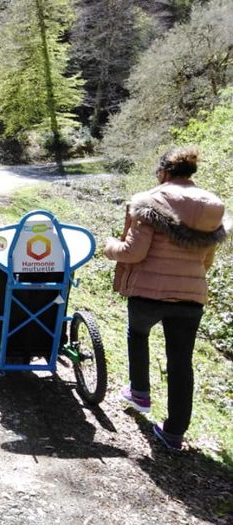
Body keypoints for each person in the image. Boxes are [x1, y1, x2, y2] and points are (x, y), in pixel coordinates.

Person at [103, 147, 228, 451]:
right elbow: (206, 261)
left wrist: (109, 246)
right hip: (191, 296)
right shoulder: (212, 207)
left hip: (148, 293)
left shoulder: (150, 201)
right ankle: (174, 433)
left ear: (163, 172)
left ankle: (139, 392)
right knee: (181, 362)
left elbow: (134, 252)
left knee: (138, 333)